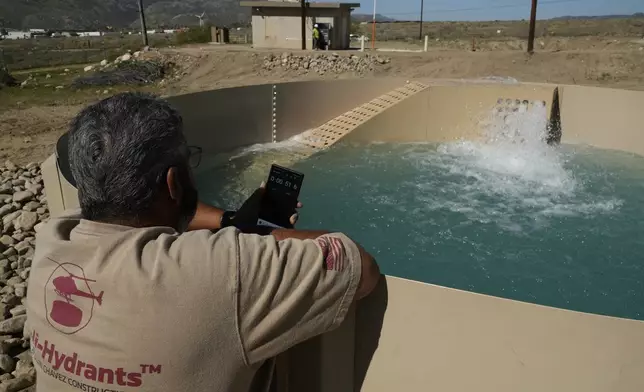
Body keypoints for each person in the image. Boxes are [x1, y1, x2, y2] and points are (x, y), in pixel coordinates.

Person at [26, 92, 380, 392]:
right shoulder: (228, 270)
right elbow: (359, 267)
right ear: (173, 183)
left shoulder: (53, 239)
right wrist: (264, 238)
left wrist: (231, 222)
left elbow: (134, 212)